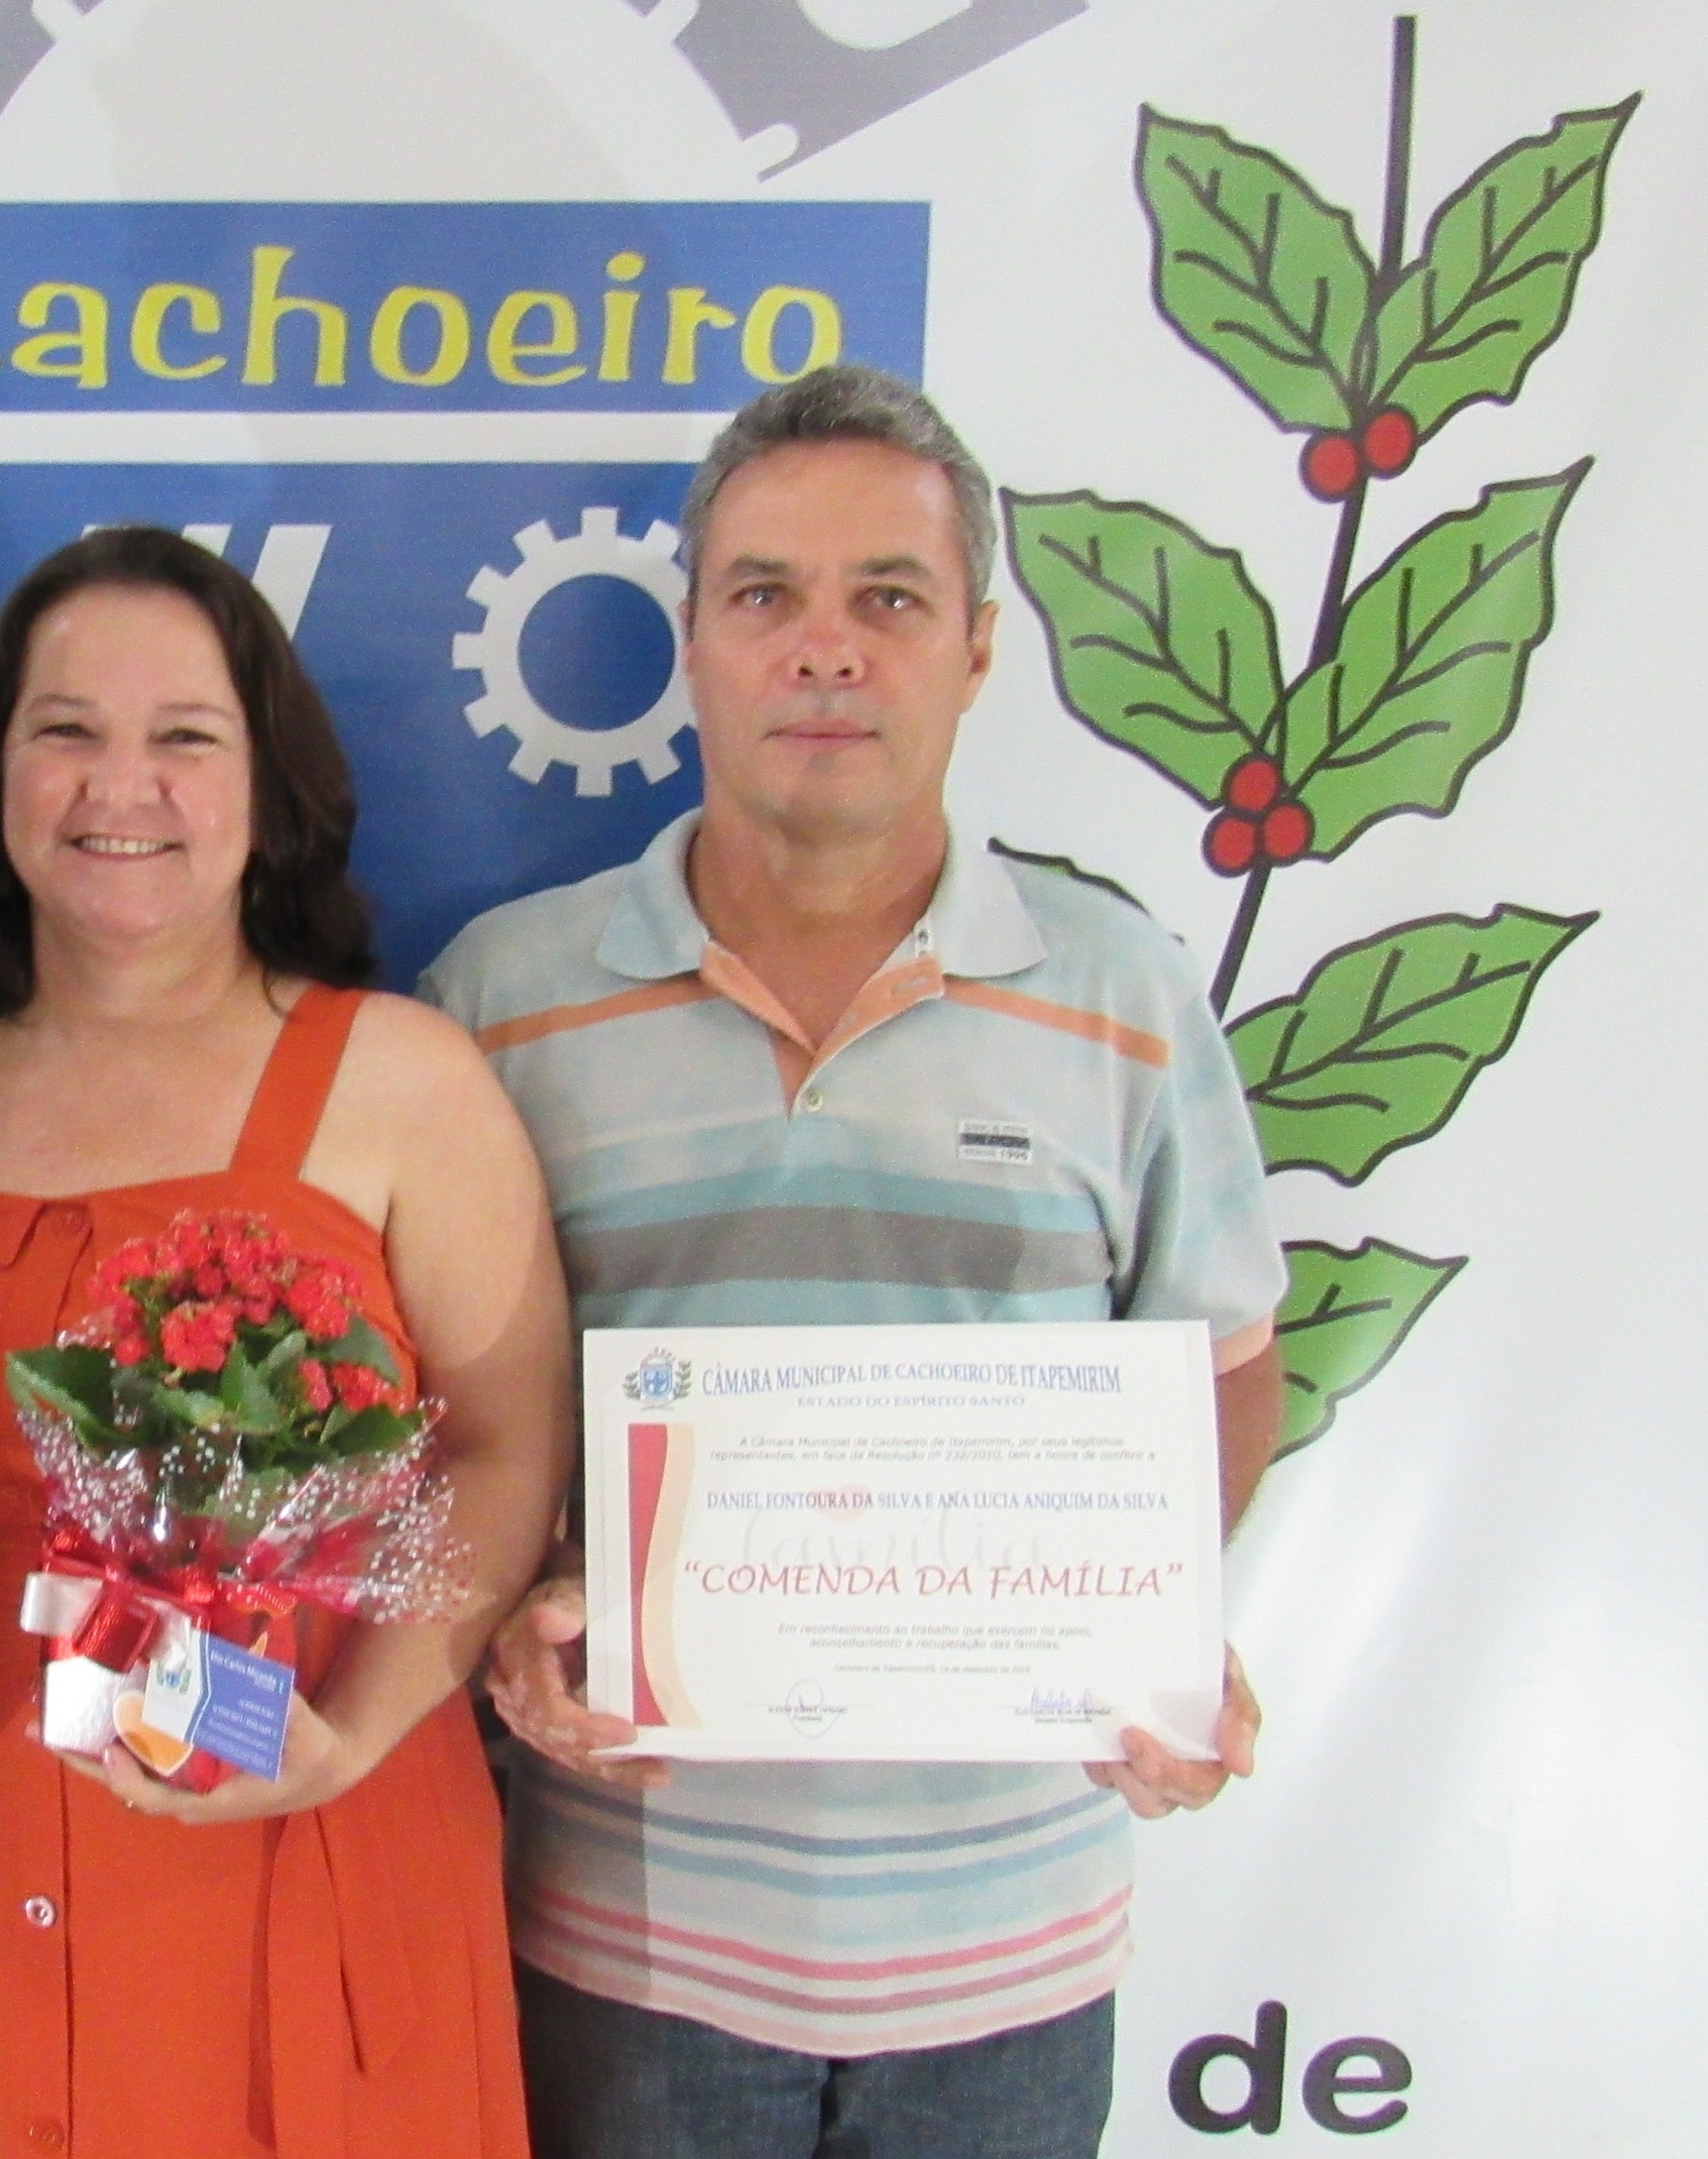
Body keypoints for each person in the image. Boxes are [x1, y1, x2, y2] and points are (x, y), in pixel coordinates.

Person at [416, 364, 1285, 2159]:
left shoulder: (1122, 992)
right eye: (766, 596)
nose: (825, 649)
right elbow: (435, 1422)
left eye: (888, 597)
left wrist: (1154, 1625)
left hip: (1012, 1957)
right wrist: (512, 1621)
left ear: (978, 646)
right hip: (626, 1951)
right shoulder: (501, 1002)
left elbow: (1225, 1363)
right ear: (691, 642)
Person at [0, 526, 571, 2159]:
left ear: (269, 786)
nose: (123, 785)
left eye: (186, 735)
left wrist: (348, 1735)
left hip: (315, 1830)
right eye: (67, 729)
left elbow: (507, 1447)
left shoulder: (401, 1078)